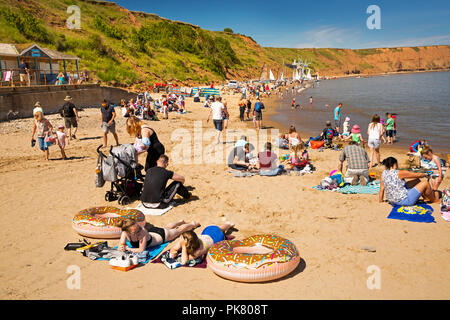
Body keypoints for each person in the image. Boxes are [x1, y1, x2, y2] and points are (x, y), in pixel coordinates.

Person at [117, 218, 200, 253]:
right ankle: (180, 221)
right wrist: (121, 246)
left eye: (138, 227)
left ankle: (193, 224)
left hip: (162, 236)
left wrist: (128, 248)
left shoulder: (141, 233)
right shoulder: (125, 233)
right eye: (135, 231)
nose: (138, 230)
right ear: (128, 232)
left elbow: (141, 250)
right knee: (167, 227)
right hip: (153, 232)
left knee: (178, 231)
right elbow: (121, 244)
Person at [169, 222, 235, 265]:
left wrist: (183, 246)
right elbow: (173, 249)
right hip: (207, 232)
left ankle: (229, 225)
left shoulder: (198, 251)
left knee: (220, 229)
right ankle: (229, 224)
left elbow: (184, 262)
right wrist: (174, 251)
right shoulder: (187, 239)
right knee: (220, 228)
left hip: (216, 239)